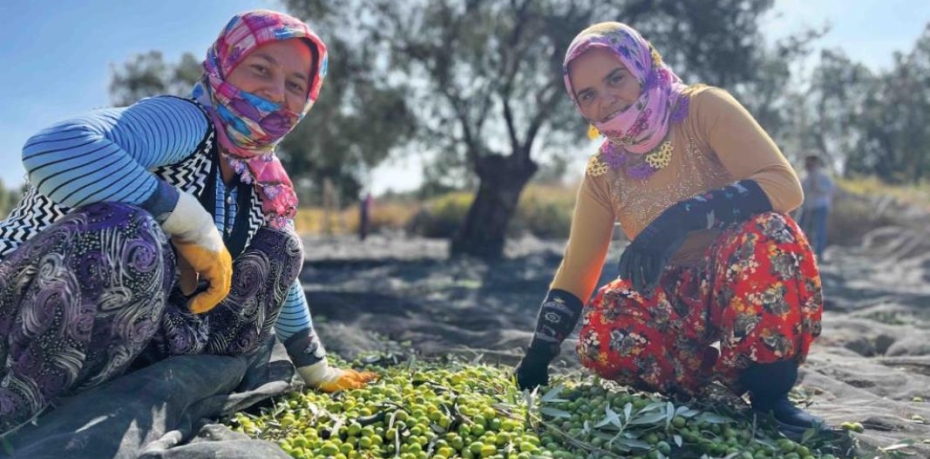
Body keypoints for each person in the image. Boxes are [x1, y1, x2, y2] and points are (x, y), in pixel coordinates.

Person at [0, 10, 376, 434]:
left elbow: (282, 281)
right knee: (129, 236)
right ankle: (22, 406)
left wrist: (317, 369)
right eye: (260, 69)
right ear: (224, 66)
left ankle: (120, 391)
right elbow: (54, 148)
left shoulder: (260, 177)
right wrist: (190, 223)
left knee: (282, 246)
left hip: (119, 337)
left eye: (294, 85)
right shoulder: (186, 122)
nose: (276, 92)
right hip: (20, 307)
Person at [514, 22, 824, 435]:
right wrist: (539, 352)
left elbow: (784, 186)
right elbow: (578, 269)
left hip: (741, 278)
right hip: (673, 300)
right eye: (588, 94)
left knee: (769, 234)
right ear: (579, 106)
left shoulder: (702, 110)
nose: (606, 100)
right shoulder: (604, 171)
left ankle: (769, 397)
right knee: (605, 322)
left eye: (616, 78)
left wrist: (682, 217)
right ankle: (709, 382)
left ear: (641, 66)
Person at [798, 155, 834, 260]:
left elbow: (830, 190)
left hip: (820, 206)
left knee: (819, 230)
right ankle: (801, 252)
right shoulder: (804, 177)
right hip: (807, 207)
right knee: (802, 229)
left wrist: (818, 188)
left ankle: (819, 254)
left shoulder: (823, 176)